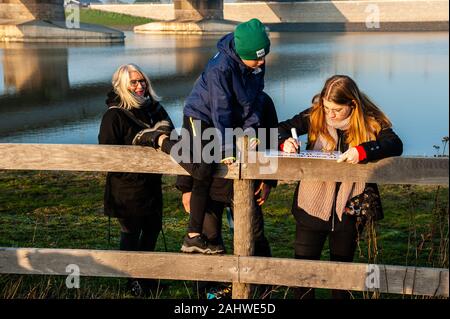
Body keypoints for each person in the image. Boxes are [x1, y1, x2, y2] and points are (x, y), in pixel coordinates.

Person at [278, 75, 403, 299]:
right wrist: (285, 142)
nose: (330, 114)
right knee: (303, 276)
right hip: (311, 204)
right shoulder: (315, 115)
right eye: (327, 107)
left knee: (342, 276)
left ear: (352, 104)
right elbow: (280, 129)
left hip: (350, 208)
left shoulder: (370, 121)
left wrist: (362, 151)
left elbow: (394, 144)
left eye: (336, 109)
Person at [169, 18, 272, 254]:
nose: (262, 61)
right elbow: (221, 109)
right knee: (203, 165)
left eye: (264, 55)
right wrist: (226, 148)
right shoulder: (220, 68)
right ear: (242, 53)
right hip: (201, 116)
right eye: (257, 57)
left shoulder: (256, 63)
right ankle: (192, 233)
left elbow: (254, 100)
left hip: (227, 120)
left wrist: (251, 131)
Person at [176, 91, 279, 298]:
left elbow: (271, 138)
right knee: (208, 239)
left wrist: (268, 180)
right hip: (207, 186)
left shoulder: (261, 100)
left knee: (254, 236)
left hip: (248, 184)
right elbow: (188, 143)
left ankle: (261, 288)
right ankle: (208, 291)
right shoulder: (202, 102)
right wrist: (186, 187)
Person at [98, 63, 174, 296]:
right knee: (131, 232)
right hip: (126, 187)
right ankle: (132, 281)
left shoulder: (154, 109)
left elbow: (170, 131)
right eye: (134, 82)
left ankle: (147, 279)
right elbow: (107, 152)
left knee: (152, 230)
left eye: (142, 81)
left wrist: (157, 135)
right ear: (122, 85)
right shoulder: (114, 115)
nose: (140, 86)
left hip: (151, 184)